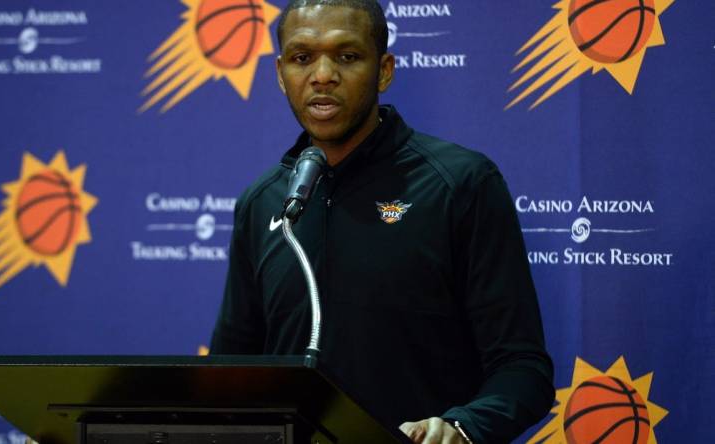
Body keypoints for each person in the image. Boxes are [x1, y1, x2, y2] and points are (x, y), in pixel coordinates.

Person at [210, 0, 554, 442]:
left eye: (347, 56)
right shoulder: (261, 202)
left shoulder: (460, 183)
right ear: (280, 74)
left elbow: (522, 368)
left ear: (385, 70)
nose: (322, 76)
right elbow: (230, 372)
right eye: (302, 58)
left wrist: (463, 428)